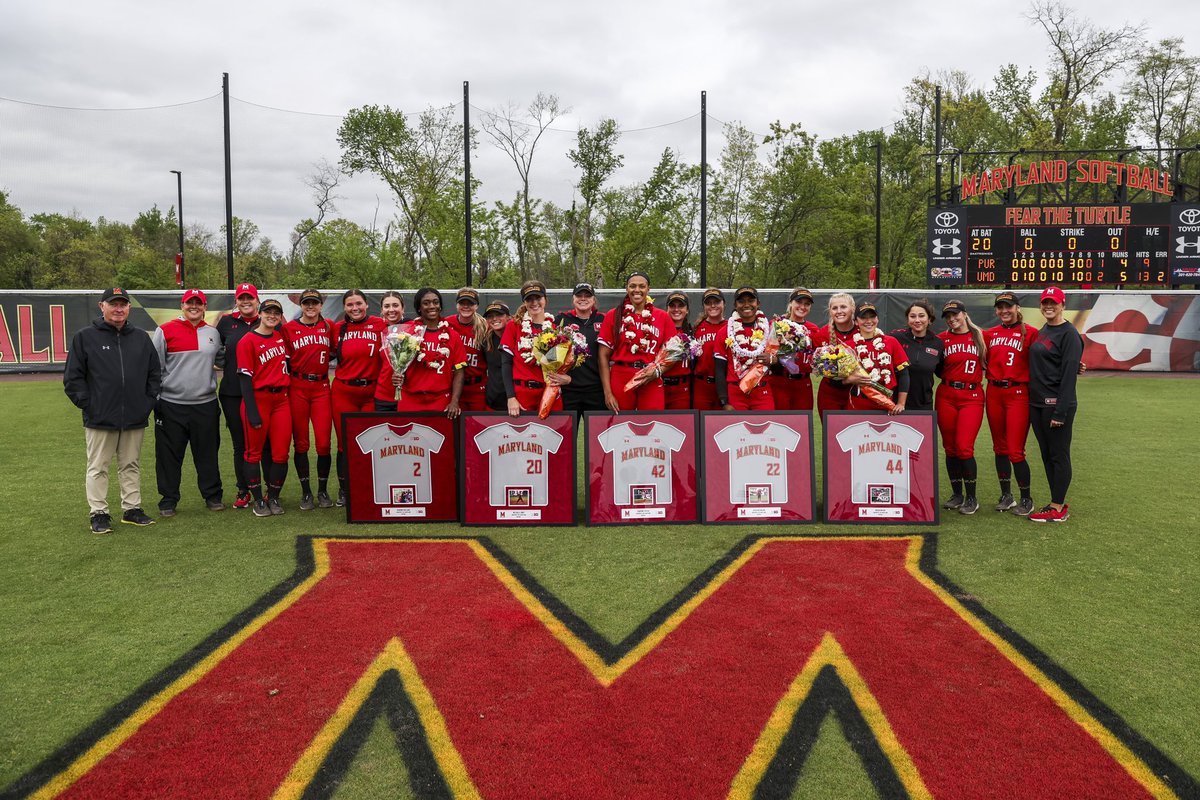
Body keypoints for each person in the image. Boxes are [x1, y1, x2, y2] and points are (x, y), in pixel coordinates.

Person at [64, 286, 161, 533]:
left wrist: (146, 402)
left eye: (122, 304)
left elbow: (154, 374)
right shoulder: (85, 337)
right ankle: (99, 513)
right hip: (100, 416)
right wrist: (89, 405)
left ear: (129, 307)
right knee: (98, 466)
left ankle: (132, 509)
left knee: (130, 464)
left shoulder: (140, 337)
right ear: (102, 306)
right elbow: (73, 378)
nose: (118, 309)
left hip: (134, 416)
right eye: (113, 304)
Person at [151, 288, 224, 517]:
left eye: (198, 303)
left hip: (206, 403)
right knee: (169, 456)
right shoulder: (164, 331)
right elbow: (155, 368)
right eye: (189, 303)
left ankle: (212, 496)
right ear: (182, 306)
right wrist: (158, 400)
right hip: (172, 404)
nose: (194, 306)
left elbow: (220, 360)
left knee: (207, 453)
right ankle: (168, 499)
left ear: (204, 307)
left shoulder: (213, 333)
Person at [1027, 286, 1083, 523]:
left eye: (1054, 302)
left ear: (1063, 305)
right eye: (1045, 302)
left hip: (1057, 405)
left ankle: (1058, 507)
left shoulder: (1069, 333)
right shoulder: (1045, 330)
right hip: (1038, 403)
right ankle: (1054, 502)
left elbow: (1069, 374)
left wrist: (1060, 411)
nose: (1049, 306)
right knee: (1047, 455)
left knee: (1059, 455)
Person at [236, 298, 293, 517]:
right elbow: (244, 380)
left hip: (281, 400)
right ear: (259, 314)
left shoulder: (279, 336)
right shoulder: (247, 341)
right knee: (253, 453)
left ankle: (274, 496)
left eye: (276, 313)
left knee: (280, 453)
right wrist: (251, 410)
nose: (272, 315)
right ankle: (259, 500)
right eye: (268, 311)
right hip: (258, 399)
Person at [983, 291, 1038, 516]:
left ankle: (1026, 498)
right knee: (1000, 448)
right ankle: (1007, 495)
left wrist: (1075, 364)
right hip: (994, 392)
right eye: (1000, 307)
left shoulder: (1032, 333)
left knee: (1016, 450)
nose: (1004, 311)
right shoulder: (989, 334)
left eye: (1008, 307)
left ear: (1017, 308)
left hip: (1018, 393)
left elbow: (1048, 356)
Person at [331, 289, 386, 506]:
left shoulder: (380, 325)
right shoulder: (337, 328)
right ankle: (345, 490)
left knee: (371, 441)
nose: (355, 308)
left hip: (372, 393)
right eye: (350, 305)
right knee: (344, 444)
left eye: (359, 303)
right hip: (344, 392)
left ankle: (369, 487)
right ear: (344, 307)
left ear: (366, 304)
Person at [282, 288, 336, 510]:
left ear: (321, 305)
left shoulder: (329, 326)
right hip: (298, 387)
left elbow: (334, 351)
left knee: (324, 443)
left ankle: (322, 491)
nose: (311, 306)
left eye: (315, 303)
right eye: (307, 303)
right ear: (300, 305)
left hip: (322, 387)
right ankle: (306, 493)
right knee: (301, 443)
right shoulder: (289, 328)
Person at [936, 300, 988, 515]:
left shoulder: (982, 337)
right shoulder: (941, 339)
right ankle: (957, 494)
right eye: (948, 316)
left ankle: (972, 497)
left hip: (972, 395)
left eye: (955, 314)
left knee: (964, 447)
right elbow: (936, 366)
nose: (952, 319)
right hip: (946, 394)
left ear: (965, 314)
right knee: (950, 447)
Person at [598, 272, 673, 411]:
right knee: (621, 425)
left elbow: (673, 353)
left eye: (641, 286)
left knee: (653, 422)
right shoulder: (614, 315)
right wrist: (607, 393)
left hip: (650, 375)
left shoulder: (662, 316)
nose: (637, 290)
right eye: (632, 286)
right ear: (627, 289)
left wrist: (658, 371)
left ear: (648, 289)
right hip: (621, 375)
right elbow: (603, 355)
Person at [215, 283, 261, 509]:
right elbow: (213, 351)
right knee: (240, 444)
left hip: (261, 392)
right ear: (237, 301)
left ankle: (268, 488)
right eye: (242, 298)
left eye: (249, 298)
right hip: (233, 392)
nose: (245, 302)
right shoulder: (225, 323)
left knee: (266, 442)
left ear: (256, 299)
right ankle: (244, 490)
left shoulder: (268, 321)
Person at [394, 288, 466, 416]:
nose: (432, 306)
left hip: (441, 400)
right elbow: (399, 366)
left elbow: (459, 372)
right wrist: (397, 376)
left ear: (440, 306)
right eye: (426, 303)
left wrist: (454, 401)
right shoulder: (408, 333)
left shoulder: (453, 335)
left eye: (435, 302)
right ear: (419, 307)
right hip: (410, 400)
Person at [502, 280, 565, 416]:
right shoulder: (514, 326)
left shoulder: (556, 329)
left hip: (550, 392)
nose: (534, 302)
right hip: (523, 393)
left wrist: (567, 378)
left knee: (554, 434)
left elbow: (564, 364)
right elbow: (506, 363)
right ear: (524, 302)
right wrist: (511, 397)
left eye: (538, 298)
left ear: (545, 300)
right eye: (529, 299)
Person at [715, 286, 775, 411]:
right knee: (738, 430)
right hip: (736, 391)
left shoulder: (769, 329)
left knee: (765, 429)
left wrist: (774, 359)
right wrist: (724, 401)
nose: (746, 305)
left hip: (761, 390)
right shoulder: (725, 331)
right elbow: (719, 369)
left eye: (751, 300)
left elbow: (781, 361)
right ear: (735, 305)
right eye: (741, 301)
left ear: (758, 303)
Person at [555, 282, 607, 418]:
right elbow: (548, 353)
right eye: (579, 295)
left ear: (594, 299)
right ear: (573, 299)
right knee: (567, 436)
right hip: (569, 389)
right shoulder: (561, 320)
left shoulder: (604, 319)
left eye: (587, 295)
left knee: (597, 436)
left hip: (597, 390)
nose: (583, 298)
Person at [847, 302, 909, 415]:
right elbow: (841, 379)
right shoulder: (849, 346)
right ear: (856, 321)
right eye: (863, 317)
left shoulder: (891, 342)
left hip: (887, 404)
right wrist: (851, 379)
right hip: (858, 403)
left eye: (872, 316)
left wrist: (901, 403)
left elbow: (904, 374)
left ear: (878, 319)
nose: (869, 321)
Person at [769, 287, 821, 410]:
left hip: (803, 384)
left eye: (807, 304)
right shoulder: (777, 324)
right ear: (791, 303)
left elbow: (817, 356)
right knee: (780, 424)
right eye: (799, 302)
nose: (802, 307)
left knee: (803, 425)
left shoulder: (813, 329)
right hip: (779, 381)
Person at [891, 300, 943, 412]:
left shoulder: (938, 343)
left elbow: (941, 371)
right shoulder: (895, 337)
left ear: (929, 319)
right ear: (908, 319)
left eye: (922, 316)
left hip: (923, 405)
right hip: (894, 405)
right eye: (913, 316)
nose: (917, 320)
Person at [814, 292, 861, 416]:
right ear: (830, 311)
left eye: (843, 307)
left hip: (857, 391)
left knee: (855, 432)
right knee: (830, 433)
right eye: (835, 308)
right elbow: (814, 365)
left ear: (853, 309)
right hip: (830, 392)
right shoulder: (822, 334)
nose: (839, 311)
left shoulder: (862, 331)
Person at [446, 287, 488, 411]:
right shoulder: (447, 323)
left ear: (477, 306)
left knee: (477, 426)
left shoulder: (484, 326)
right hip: (453, 385)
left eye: (470, 303)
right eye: (462, 303)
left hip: (477, 387)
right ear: (456, 305)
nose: (466, 306)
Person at [690, 288, 726, 410]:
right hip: (702, 385)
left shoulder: (731, 327)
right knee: (700, 425)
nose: (712, 306)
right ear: (704, 306)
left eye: (716, 302)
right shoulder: (697, 328)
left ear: (723, 304)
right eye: (708, 303)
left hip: (725, 385)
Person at [373, 290, 408, 413]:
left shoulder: (414, 328)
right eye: (387, 306)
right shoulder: (379, 329)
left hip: (408, 395)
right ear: (382, 310)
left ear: (403, 308)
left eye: (395, 305)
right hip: (383, 395)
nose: (391, 309)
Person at [662, 290, 693, 409]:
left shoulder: (691, 332)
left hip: (682, 388)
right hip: (660, 385)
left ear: (687, 310)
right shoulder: (659, 330)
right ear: (667, 309)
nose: (676, 309)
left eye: (681, 306)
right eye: (672, 306)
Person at [483, 301, 512, 411]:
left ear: (508, 317)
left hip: (516, 402)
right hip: (493, 401)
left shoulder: (519, 338)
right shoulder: (485, 342)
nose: (494, 319)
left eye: (499, 315)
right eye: (490, 316)